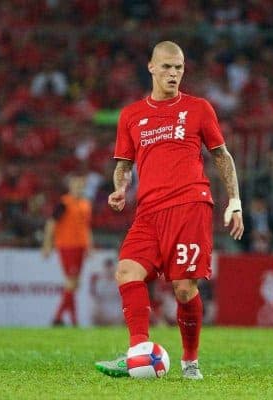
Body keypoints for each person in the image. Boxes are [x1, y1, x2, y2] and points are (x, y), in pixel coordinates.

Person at [94, 41, 244, 380]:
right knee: (126, 272)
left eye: (178, 68)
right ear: (151, 67)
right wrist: (120, 187)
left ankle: (190, 361)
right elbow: (123, 164)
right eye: (166, 67)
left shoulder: (199, 108)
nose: (173, 73)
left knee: (183, 289)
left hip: (190, 206)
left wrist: (234, 202)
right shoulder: (131, 115)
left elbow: (222, 156)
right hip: (148, 212)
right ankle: (138, 352)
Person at [42, 174, 92, 326]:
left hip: (80, 246)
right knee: (71, 282)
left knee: (74, 284)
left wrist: (89, 245)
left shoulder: (85, 204)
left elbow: (86, 226)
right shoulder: (64, 203)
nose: (78, 188)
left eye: (80, 186)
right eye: (76, 185)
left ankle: (71, 320)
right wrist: (47, 244)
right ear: (70, 187)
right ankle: (59, 317)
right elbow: (51, 223)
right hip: (67, 245)